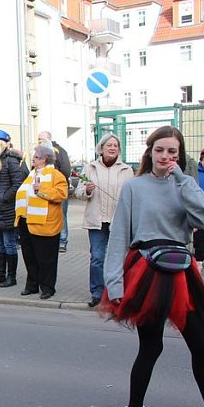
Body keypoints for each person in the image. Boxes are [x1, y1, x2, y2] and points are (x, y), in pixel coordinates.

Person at [100, 126, 204, 407]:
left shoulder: (185, 184)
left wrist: (183, 180)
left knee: (201, 344)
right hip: (147, 270)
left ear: (180, 156)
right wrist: (114, 283)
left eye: (173, 152)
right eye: (160, 150)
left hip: (181, 269)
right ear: (150, 152)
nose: (166, 157)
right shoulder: (134, 187)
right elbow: (118, 238)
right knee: (151, 345)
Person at [74, 133, 134, 307]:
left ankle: (118, 292)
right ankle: (97, 293)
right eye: (109, 145)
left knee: (119, 258)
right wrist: (88, 191)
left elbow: (132, 195)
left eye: (116, 145)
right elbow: (78, 193)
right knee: (97, 258)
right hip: (97, 221)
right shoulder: (90, 168)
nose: (113, 148)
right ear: (101, 148)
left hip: (118, 221)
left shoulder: (126, 169)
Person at [14, 145, 68, 299]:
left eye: (36, 157)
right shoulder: (32, 174)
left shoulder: (55, 175)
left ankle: (48, 288)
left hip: (46, 224)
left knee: (46, 259)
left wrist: (42, 189)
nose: (33, 159)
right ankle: (32, 285)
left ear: (45, 159)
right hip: (27, 222)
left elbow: (61, 194)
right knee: (29, 256)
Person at [0, 129, 28, 288]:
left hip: (7, 209)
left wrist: (3, 198)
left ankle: (11, 277)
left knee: (9, 244)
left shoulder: (11, 161)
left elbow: (18, 184)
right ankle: (0, 275)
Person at [37, 131, 71, 252]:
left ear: (49, 139)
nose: (39, 141)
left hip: (57, 188)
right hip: (43, 191)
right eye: (38, 139)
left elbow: (66, 170)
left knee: (61, 214)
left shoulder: (59, 151)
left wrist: (55, 179)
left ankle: (62, 240)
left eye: (41, 139)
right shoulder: (38, 154)